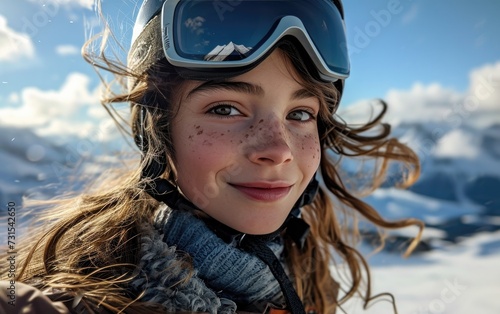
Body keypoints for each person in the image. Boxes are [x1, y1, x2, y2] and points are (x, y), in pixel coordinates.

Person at [1, 0, 424, 313]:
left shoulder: (304, 281)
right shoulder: (77, 299)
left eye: (300, 113)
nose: (277, 150)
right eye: (225, 109)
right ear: (160, 132)